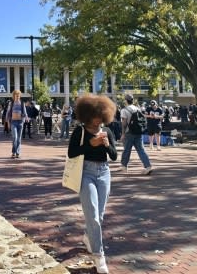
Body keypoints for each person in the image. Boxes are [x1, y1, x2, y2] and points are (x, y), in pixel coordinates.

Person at [67, 94, 117, 274]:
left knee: (100, 215)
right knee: (93, 216)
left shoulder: (107, 131)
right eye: (96, 116)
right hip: (85, 173)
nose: (98, 120)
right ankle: (99, 256)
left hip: (104, 173)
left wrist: (105, 144)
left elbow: (113, 155)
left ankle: (89, 237)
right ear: (87, 114)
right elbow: (72, 153)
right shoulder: (80, 131)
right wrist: (90, 144)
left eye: (101, 116)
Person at [120, 94, 153, 175]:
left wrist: (123, 133)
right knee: (141, 150)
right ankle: (148, 166)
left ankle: (124, 166)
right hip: (138, 132)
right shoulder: (137, 108)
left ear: (126, 100)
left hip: (129, 132)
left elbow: (124, 123)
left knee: (127, 150)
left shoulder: (124, 110)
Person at [5, 90, 28, 158]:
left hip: (20, 122)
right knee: (15, 137)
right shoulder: (11, 103)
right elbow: (8, 113)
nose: (17, 96)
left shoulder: (22, 103)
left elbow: (25, 112)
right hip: (13, 122)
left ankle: (17, 152)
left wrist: (26, 118)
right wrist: (7, 122)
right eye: (16, 95)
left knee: (19, 139)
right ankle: (13, 152)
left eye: (18, 95)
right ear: (14, 95)